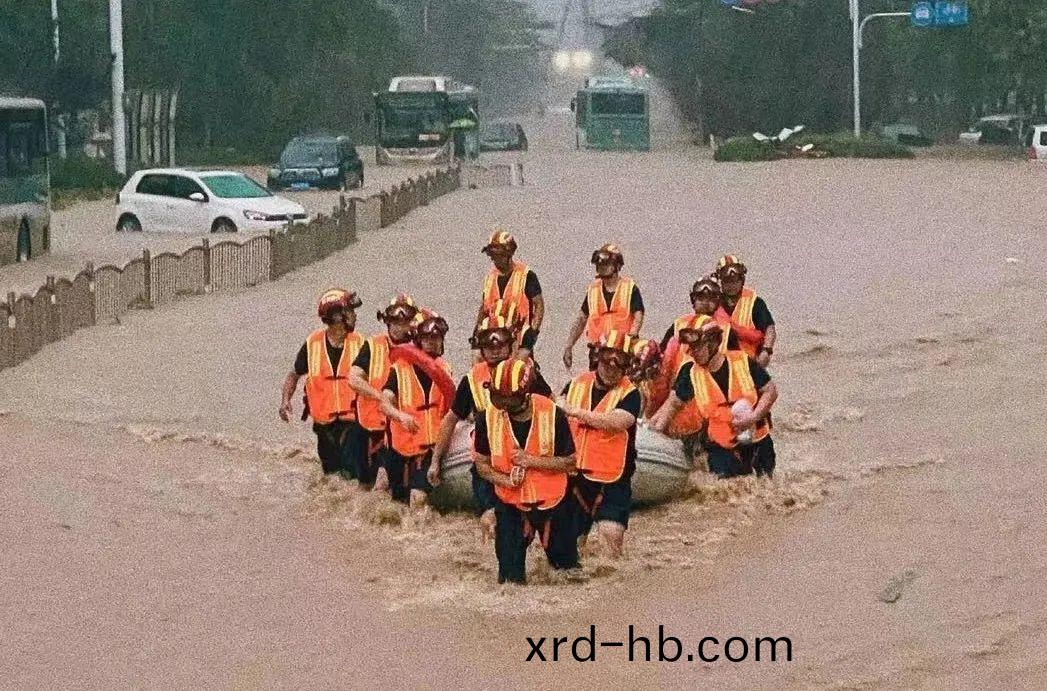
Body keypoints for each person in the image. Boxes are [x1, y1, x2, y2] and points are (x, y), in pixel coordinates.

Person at [429, 315, 552, 539]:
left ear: (510, 344)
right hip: (488, 463)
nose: (495, 350)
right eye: (489, 345)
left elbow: (552, 409)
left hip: (525, 458)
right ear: (481, 348)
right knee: (490, 517)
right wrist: (436, 460)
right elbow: (450, 419)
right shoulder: (472, 380)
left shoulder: (527, 373)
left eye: (500, 344)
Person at [473, 358, 580, 584]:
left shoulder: (553, 414)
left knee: (567, 575)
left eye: (509, 400)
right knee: (510, 581)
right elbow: (481, 464)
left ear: (525, 395)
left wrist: (531, 461)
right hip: (511, 504)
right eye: (498, 398)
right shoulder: (486, 418)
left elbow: (570, 462)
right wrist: (504, 480)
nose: (503, 405)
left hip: (554, 503)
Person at [650, 315, 778, 478]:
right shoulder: (690, 373)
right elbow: (672, 405)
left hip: (757, 440)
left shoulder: (743, 361)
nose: (692, 352)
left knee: (764, 483)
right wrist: (653, 431)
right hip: (721, 448)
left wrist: (753, 417)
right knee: (723, 487)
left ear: (713, 343)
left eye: (697, 347)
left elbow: (770, 391)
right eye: (690, 347)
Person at [558, 331, 643, 558]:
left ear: (626, 366)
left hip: (613, 479)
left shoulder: (631, 394)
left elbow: (617, 422)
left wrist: (575, 412)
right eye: (607, 359)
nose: (611, 367)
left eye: (619, 361)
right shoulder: (575, 385)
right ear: (597, 356)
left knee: (610, 535)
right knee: (569, 547)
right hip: (575, 477)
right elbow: (555, 411)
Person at [279, 289, 367, 478]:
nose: (355, 316)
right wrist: (285, 401)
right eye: (350, 311)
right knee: (330, 476)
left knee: (350, 474)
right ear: (336, 316)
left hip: (354, 422)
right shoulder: (312, 344)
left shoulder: (361, 344)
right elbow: (294, 374)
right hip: (324, 427)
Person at [378, 310, 454, 508]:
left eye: (437, 338)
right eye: (428, 338)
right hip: (400, 451)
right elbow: (384, 403)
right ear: (418, 340)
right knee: (389, 497)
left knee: (417, 498)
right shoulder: (399, 369)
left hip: (430, 450)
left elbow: (453, 409)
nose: (433, 343)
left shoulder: (445, 370)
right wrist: (400, 416)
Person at [348, 294, 419, 489]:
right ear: (387, 321)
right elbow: (353, 378)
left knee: (392, 486)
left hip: (401, 431)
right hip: (370, 429)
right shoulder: (373, 345)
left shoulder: (420, 349)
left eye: (404, 322)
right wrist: (380, 397)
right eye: (395, 321)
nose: (399, 327)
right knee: (365, 485)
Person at [563, 244, 645, 370]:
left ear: (617, 266)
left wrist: (632, 337)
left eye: (607, 264)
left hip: (622, 351)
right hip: (598, 351)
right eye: (600, 265)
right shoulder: (593, 290)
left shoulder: (629, 288)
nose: (602, 267)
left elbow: (638, 316)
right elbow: (581, 319)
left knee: (625, 382)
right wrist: (569, 345)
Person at [475, 230, 544, 338]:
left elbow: (539, 305)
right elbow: (483, 308)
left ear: (508, 254)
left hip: (518, 339)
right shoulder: (490, 278)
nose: (495, 259)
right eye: (492, 256)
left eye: (498, 255)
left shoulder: (526, 275)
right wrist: (477, 332)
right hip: (493, 340)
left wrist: (532, 333)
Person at [715, 255, 776, 367]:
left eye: (735, 281)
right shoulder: (713, 304)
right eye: (727, 281)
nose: (732, 285)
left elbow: (769, 329)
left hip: (749, 364)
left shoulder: (755, 302)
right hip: (719, 365)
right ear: (721, 282)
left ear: (742, 280)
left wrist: (766, 351)